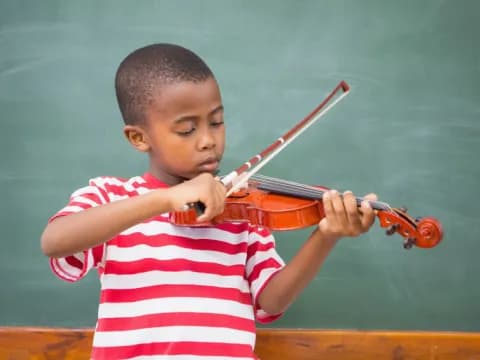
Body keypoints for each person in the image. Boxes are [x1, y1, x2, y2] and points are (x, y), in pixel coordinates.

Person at [41, 43, 377, 360]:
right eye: (187, 130)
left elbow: (271, 301)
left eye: (216, 122)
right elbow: (55, 242)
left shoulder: (242, 213)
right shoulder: (112, 199)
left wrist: (326, 235)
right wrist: (165, 199)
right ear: (139, 137)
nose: (208, 141)